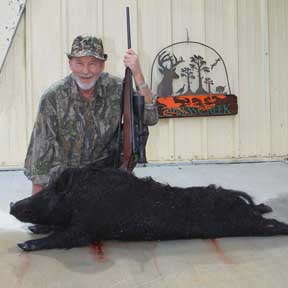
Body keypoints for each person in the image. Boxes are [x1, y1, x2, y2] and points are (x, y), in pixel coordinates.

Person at [24, 35, 158, 195]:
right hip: (66, 178)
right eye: (79, 63)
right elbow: (40, 151)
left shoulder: (117, 88)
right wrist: (37, 203)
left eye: (92, 64)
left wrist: (137, 74)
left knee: (137, 128)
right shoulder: (53, 97)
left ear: (102, 65)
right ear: (70, 63)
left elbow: (150, 118)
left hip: (104, 174)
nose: (86, 71)